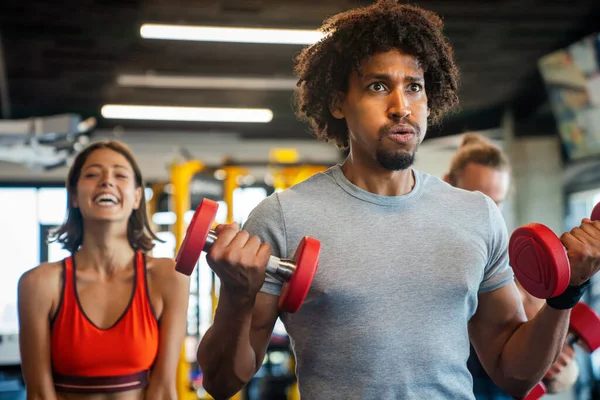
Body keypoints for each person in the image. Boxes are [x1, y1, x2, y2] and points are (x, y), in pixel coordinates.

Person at [197, 1, 600, 399]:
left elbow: (514, 375)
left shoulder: (476, 215)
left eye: (414, 87)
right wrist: (235, 296)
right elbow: (221, 383)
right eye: (378, 86)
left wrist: (566, 293)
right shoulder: (284, 216)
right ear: (338, 102)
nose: (401, 107)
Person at [17, 140, 190, 399]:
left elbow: (164, 389)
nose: (107, 181)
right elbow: (40, 393)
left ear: (136, 197)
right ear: (74, 196)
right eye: (92, 175)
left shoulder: (168, 278)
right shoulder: (39, 284)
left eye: (120, 174)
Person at [444, 133, 579, 399]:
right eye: (477, 199)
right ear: (448, 184)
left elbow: (544, 352)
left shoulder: (512, 270)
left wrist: (560, 366)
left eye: (497, 202)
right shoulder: (428, 261)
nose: (488, 213)